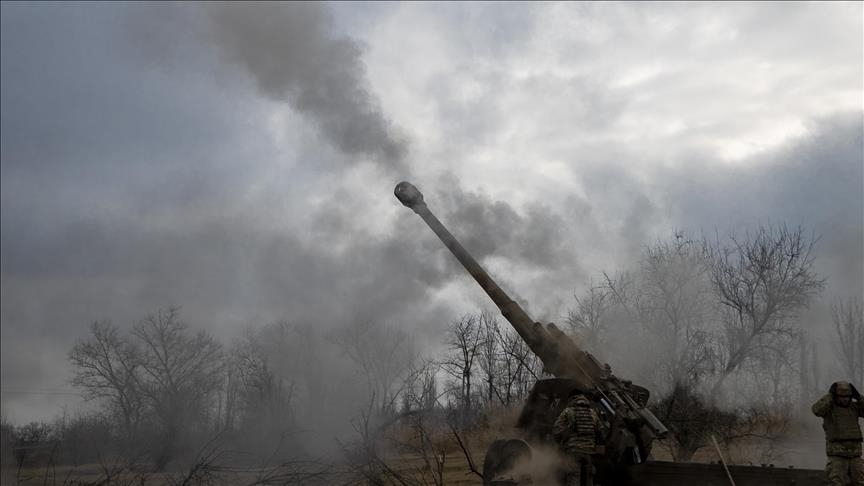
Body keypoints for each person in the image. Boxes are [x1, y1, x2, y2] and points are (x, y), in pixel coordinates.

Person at [812, 381, 864, 486]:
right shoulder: (829, 408)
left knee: (860, 482)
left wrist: (859, 397)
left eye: (848, 396)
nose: (845, 399)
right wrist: (830, 395)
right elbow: (816, 410)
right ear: (836, 396)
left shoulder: (854, 407)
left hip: (855, 455)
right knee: (836, 482)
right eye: (842, 396)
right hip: (837, 455)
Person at [553, 393, 601, 486]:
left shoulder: (568, 411)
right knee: (588, 478)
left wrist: (560, 441)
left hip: (573, 451)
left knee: (574, 476)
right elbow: (600, 430)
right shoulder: (593, 413)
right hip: (589, 452)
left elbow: (556, 429)